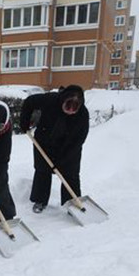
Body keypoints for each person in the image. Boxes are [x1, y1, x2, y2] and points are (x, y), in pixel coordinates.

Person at [19, 85, 90, 213]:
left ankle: (72, 203)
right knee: (42, 170)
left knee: (70, 174)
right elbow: (29, 102)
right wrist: (24, 121)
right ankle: (40, 200)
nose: (69, 112)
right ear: (63, 100)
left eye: (73, 110)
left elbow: (79, 140)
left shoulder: (83, 114)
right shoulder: (51, 99)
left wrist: (64, 158)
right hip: (45, 142)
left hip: (69, 146)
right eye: (67, 108)